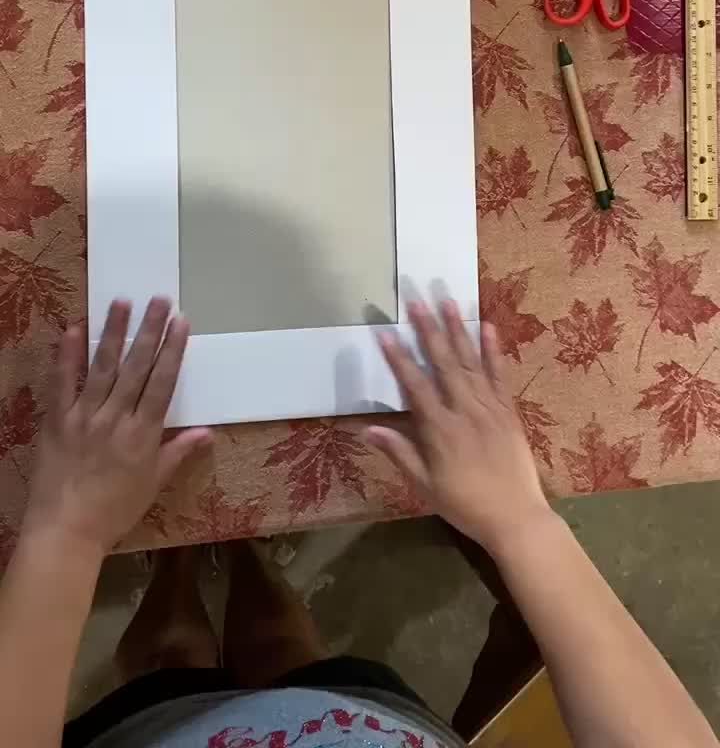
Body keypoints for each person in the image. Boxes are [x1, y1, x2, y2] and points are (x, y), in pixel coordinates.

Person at [0, 298, 716, 748]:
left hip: (156, 731)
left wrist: (67, 536)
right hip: (355, 721)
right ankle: (241, 558)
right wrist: (522, 522)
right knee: (284, 642)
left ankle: (186, 564)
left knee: (166, 656)